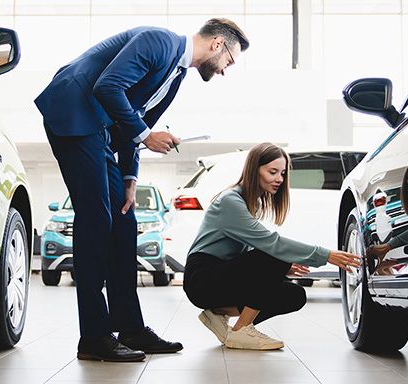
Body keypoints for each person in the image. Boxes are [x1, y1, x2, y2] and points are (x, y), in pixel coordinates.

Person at [33, 19, 249, 362]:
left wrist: (130, 177)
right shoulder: (159, 42)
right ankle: (93, 336)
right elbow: (108, 87)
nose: (225, 71)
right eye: (230, 62)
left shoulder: (175, 75)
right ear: (218, 44)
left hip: (99, 128)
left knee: (123, 220)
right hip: (74, 110)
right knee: (97, 219)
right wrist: (146, 137)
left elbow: (134, 119)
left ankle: (130, 327)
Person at [182, 143, 362, 350]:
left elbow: (249, 247)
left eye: (282, 173)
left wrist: (284, 266)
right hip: (202, 278)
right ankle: (241, 330)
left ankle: (217, 313)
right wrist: (325, 255)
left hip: (221, 274)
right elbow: (270, 244)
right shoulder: (230, 200)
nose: (279, 179)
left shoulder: (253, 202)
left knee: (294, 296)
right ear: (254, 170)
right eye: (272, 172)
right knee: (274, 254)